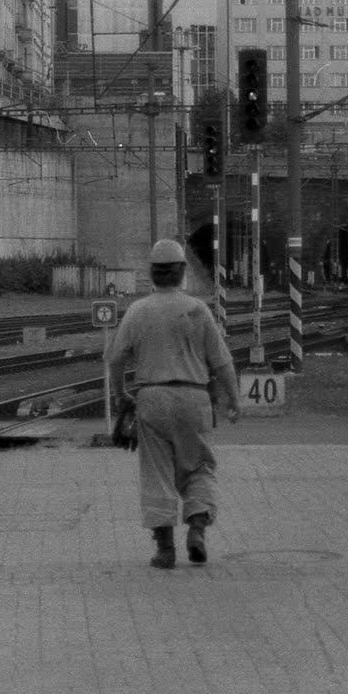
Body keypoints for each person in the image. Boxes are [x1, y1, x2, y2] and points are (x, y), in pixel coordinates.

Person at [107, 239, 241, 569]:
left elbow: (115, 359)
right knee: (199, 466)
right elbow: (221, 362)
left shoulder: (138, 310)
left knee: (156, 471)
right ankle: (197, 528)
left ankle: (165, 548)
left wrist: (119, 394)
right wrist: (234, 398)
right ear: (182, 273)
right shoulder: (198, 310)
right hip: (194, 398)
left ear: (152, 274)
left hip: (151, 397)